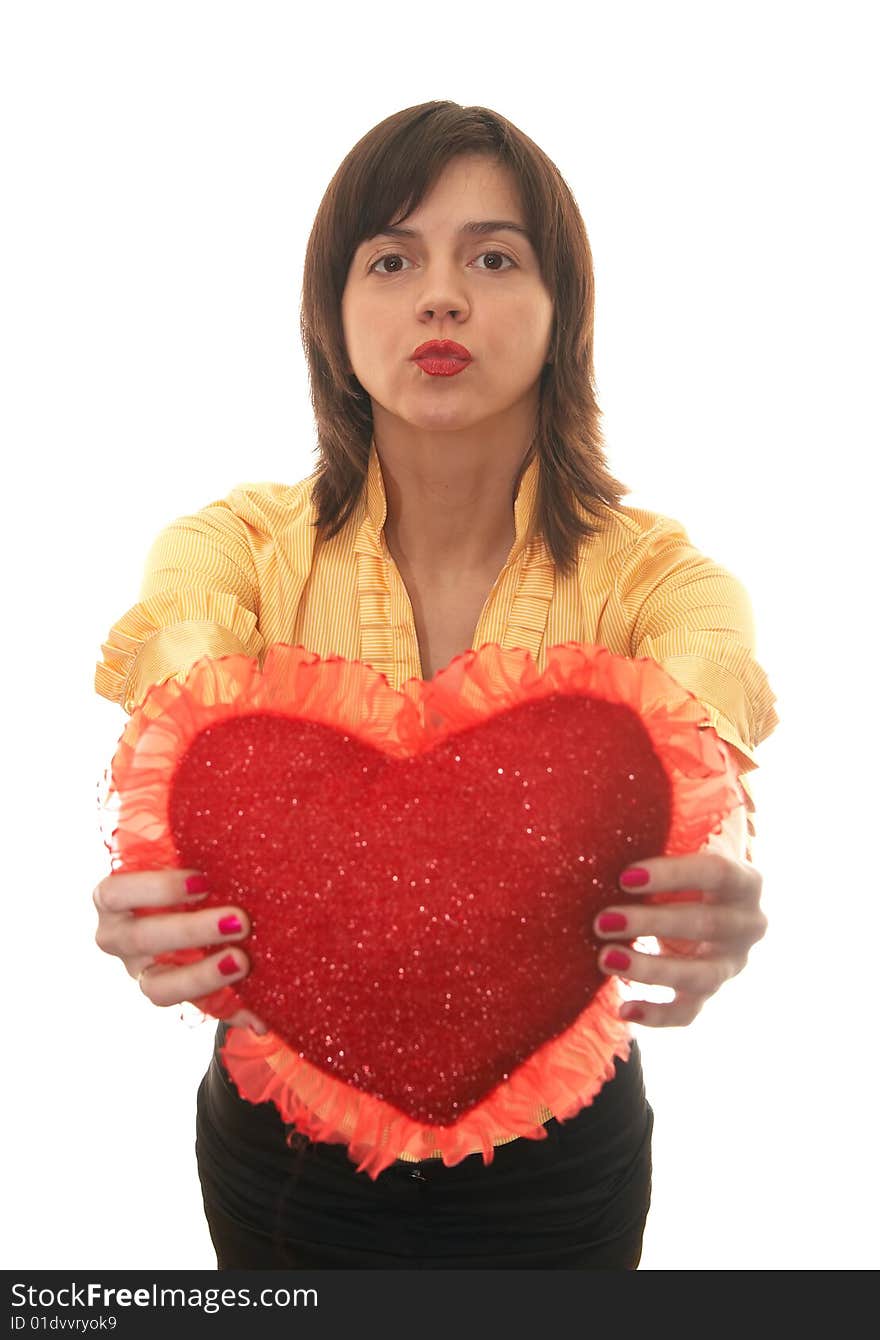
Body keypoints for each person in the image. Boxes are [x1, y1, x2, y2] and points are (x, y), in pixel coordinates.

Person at [92, 100, 779, 1270]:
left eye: (494, 256)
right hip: (281, 1155)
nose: (441, 295)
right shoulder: (228, 552)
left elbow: (703, 764)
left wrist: (712, 897)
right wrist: (152, 898)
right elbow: (188, 750)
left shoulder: (667, 581)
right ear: (333, 315)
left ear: (562, 314)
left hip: (563, 1159)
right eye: (392, 258)